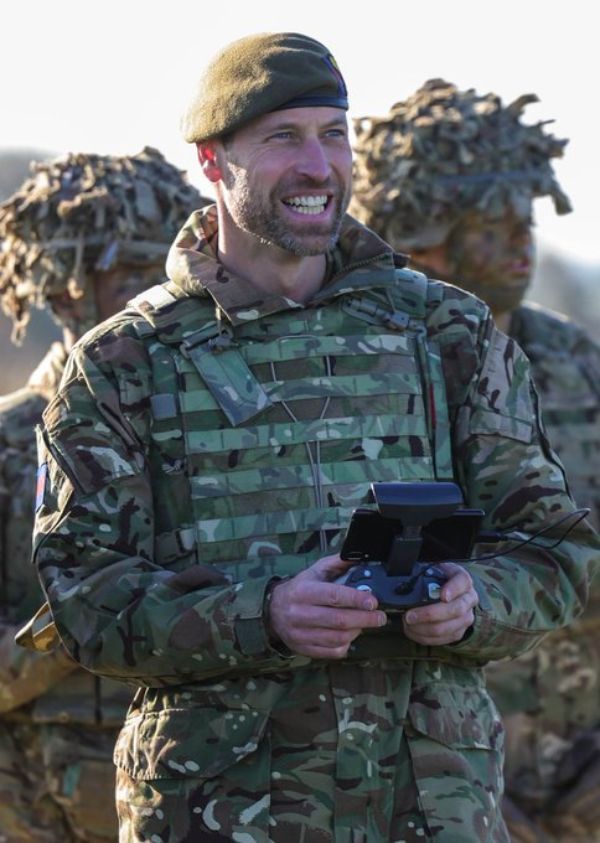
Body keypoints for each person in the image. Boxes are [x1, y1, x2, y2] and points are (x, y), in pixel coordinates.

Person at [30, 34, 598, 843]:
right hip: (218, 812)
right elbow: (81, 597)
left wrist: (476, 602)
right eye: (282, 138)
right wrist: (266, 613)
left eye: (335, 134)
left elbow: (557, 553)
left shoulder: (446, 331)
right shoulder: (124, 362)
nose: (318, 164)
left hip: (432, 808)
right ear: (213, 161)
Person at [350, 78, 600, 841]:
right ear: (423, 233)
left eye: (524, 217)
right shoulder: (366, 363)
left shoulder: (575, 360)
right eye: (491, 221)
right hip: (425, 762)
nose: (522, 240)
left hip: (578, 753)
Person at [0, 147, 210, 842]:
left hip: (195, 786)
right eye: (129, 272)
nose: (156, 293)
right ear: (63, 289)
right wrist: (93, 613)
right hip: (33, 800)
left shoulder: (214, 431)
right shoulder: (9, 441)